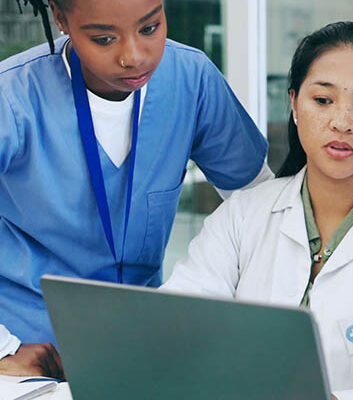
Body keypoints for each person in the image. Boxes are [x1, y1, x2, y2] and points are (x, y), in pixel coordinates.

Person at [161, 22, 353, 400]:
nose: (342, 123)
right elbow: (177, 325)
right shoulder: (242, 217)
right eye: (322, 101)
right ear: (294, 104)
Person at [0, 0, 271, 379]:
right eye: (105, 38)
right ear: (61, 19)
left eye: (149, 28)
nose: (135, 56)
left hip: (144, 345)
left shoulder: (190, 80)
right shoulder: (12, 97)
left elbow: (262, 213)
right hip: (30, 352)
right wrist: (4, 349)